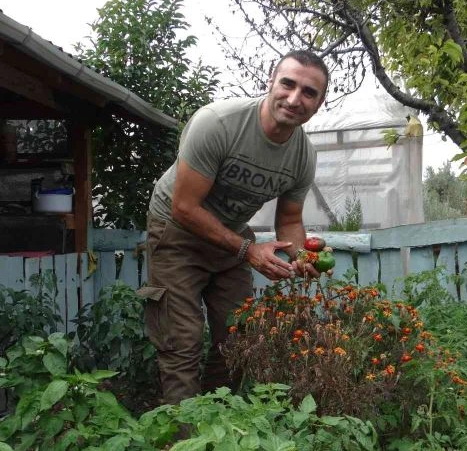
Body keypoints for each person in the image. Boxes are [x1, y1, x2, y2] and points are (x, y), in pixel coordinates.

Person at [138, 49, 329, 405]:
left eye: (308, 92)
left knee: (240, 336)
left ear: (319, 102)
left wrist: (302, 256)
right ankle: (181, 444)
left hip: (230, 236)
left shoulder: (304, 156)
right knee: (182, 340)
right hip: (175, 229)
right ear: (270, 82)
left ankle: (217, 418)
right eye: (287, 84)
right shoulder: (219, 123)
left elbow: (288, 220)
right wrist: (247, 250)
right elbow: (184, 207)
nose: (294, 98)